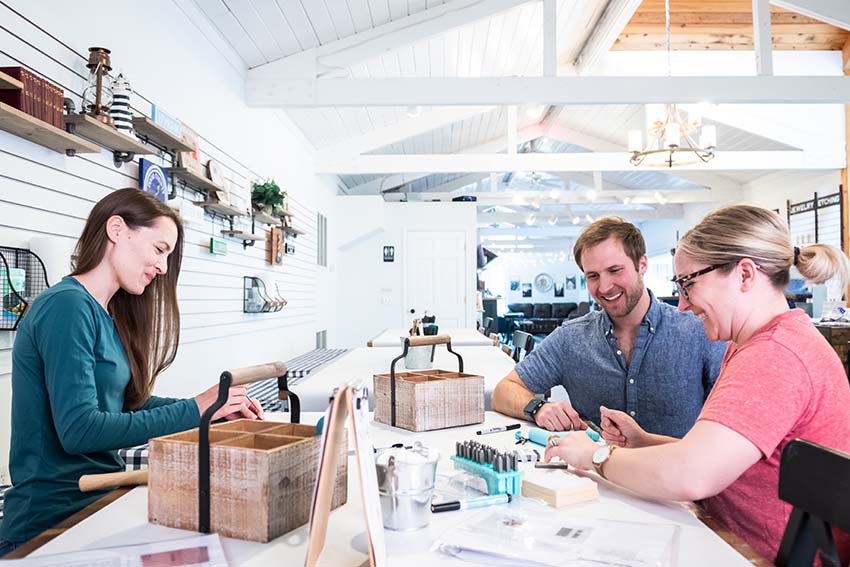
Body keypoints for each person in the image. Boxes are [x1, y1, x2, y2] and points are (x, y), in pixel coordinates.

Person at [545, 205, 850, 563]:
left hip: (752, 553)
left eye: (689, 284)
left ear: (745, 275)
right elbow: (728, 457)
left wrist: (594, 456)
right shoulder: (756, 343)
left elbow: (692, 475)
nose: (684, 305)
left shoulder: (774, 356)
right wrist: (644, 442)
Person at [0, 189, 264, 556]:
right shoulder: (66, 307)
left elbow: (127, 404)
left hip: (95, 503)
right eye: (159, 249)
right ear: (117, 230)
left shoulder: (104, 313)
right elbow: (81, 430)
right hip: (50, 525)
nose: (163, 268)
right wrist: (195, 409)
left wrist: (212, 409)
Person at [491, 217, 726, 438]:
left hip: (679, 476)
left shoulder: (700, 332)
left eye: (615, 270)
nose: (604, 287)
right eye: (593, 276)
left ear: (642, 263)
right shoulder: (570, 339)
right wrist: (539, 408)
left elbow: (728, 424)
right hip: (593, 477)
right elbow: (504, 391)